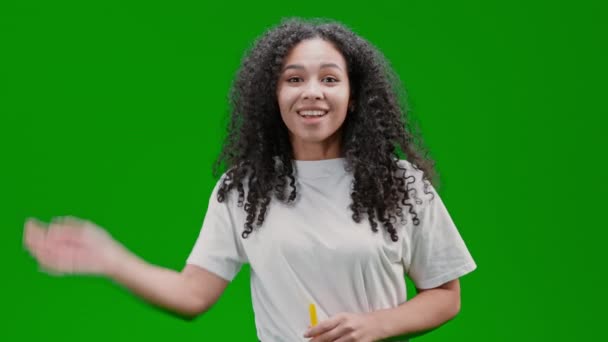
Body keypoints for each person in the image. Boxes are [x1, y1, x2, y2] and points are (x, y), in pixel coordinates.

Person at [23, 18, 477, 342]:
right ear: (274, 97)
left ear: (354, 97)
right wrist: (112, 259)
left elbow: (444, 295)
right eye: (293, 79)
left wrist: (375, 325)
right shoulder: (243, 189)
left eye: (330, 79)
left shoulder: (402, 184)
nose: (312, 92)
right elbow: (191, 295)